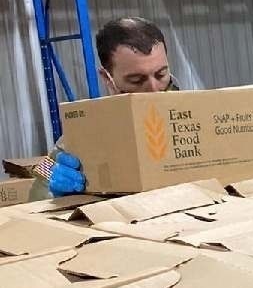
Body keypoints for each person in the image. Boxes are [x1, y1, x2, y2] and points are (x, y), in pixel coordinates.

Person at [33, 16, 179, 199]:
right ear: (107, 78)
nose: (154, 90)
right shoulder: (76, 137)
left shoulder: (195, 116)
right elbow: (36, 188)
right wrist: (53, 192)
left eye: (161, 74)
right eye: (136, 80)